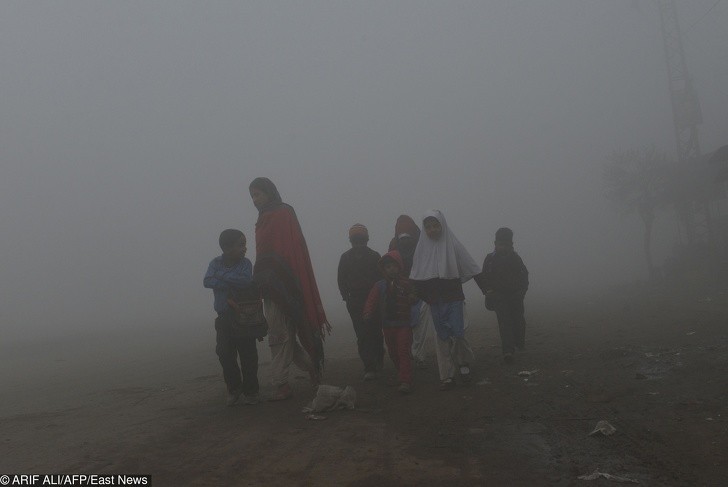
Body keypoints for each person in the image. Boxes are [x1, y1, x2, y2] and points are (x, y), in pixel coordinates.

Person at [249, 177, 331, 401]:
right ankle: (311, 368)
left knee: (280, 336)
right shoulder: (263, 217)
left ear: (270, 192)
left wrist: (285, 278)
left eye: (258, 194)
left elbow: (292, 248)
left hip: (288, 281)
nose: (255, 200)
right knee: (282, 335)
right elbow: (263, 253)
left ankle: (281, 384)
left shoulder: (283, 213)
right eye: (252, 196)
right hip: (268, 284)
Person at [410, 210, 481, 390]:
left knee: (458, 334)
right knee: (441, 339)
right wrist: (416, 296)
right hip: (435, 301)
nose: (432, 230)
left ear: (442, 225)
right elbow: (416, 278)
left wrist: (487, 289)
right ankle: (447, 375)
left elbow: (471, 267)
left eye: (435, 226)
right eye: (428, 227)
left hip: (454, 298)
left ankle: (464, 364)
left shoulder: (454, 246)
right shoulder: (421, 250)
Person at [203, 229, 260, 406]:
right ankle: (234, 389)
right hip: (223, 317)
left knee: (248, 355)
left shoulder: (246, 263)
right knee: (224, 353)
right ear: (227, 248)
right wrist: (230, 279)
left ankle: (251, 392)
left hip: (244, 316)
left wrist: (221, 276)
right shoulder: (215, 262)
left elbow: (246, 281)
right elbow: (207, 281)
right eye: (241, 244)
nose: (245, 248)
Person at [363, 250, 418, 394]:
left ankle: (405, 380)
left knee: (403, 351)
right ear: (383, 269)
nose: (391, 269)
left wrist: (413, 297)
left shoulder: (407, 282)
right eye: (388, 267)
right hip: (387, 326)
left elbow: (414, 294)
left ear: (399, 266)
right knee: (393, 352)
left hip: (404, 325)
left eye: (394, 266)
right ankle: (402, 373)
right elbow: (371, 300)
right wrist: (368, 312)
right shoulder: (379, 285)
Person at [475, 227, 529, 364]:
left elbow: (524, 277)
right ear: (495, 243)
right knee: (505, 323)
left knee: (518, 321)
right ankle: (508, 351)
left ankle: (519, 342)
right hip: (498, 297)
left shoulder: (516, 258)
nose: (503, 247)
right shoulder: (490, 259)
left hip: (515, 296)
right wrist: (488, 291)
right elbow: (484, 277)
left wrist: (521, 293)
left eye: (507, 245)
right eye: (501, 244)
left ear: (511, 245)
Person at [337, 224, 384, 380]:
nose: (358, 243)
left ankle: (378, 360)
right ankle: (369, 366)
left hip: (374, 299)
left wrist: (379, 298)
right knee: (362, 334)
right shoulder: (345, 258)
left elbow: (382, 278)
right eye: (355, 240)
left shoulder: (375, 256)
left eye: (361, 240)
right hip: (355, 301)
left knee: (376, 331)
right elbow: (341, 280)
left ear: (367, 239)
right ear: (351, 241)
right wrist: (347, 297)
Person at [388, 215, 431, 368]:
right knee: (405, 322)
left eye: (408, 237)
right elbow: (390, 268)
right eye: (402, 237)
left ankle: (418, 353)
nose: (405, 240)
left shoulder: (423, 245)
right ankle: (409, 353)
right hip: (401, 290)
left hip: (421, 288)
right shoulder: (393, 246)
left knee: (420, 320)